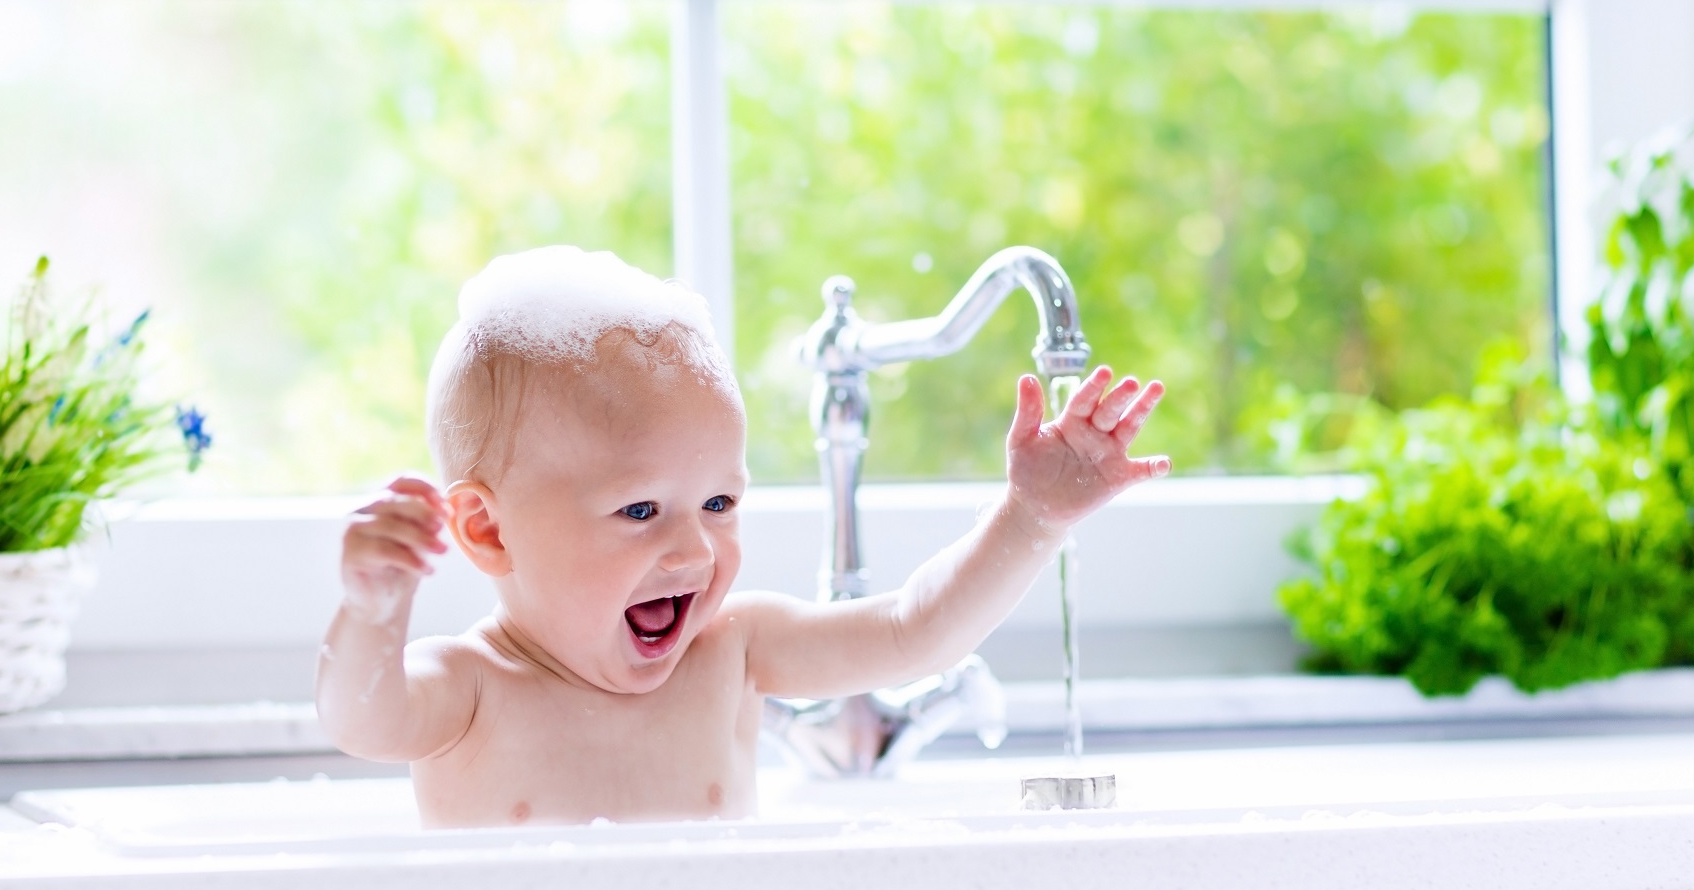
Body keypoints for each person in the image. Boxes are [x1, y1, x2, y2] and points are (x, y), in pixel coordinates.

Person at [317, 247, 1169, 828]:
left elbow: (918, 628)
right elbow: (364, 717)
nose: (693, 552)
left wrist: (1032, 516)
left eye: (720, 501)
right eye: (640, 511)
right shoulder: (468, 689)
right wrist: (372, 610)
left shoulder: (735, 653)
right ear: (487, 528)